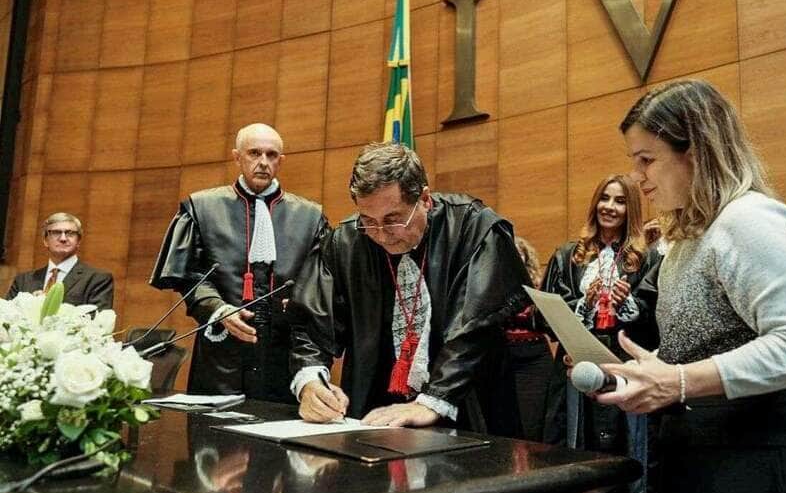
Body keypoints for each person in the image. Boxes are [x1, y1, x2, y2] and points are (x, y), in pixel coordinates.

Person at [597, 79, 786, 493]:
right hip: (699, 450)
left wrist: (678, 380)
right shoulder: (687, 241)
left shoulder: (749, 220)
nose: (637, 177)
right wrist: (652, 369)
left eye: (647, 160)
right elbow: (708, 344)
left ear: (695, 151)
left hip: (756, 456)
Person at [288, 142, 531, 431]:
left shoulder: (473, 228)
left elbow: (476, 327)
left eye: (393, 220)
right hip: (377, 416)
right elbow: (311, 324)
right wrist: (310, 382)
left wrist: (433, 401)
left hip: (467, 410)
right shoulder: (346, 241)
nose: (381, 235)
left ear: (425, 199)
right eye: (368, 220)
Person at [150, 123, 329, 403]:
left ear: (280, 161)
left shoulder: (310, 216)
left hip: (283, 356)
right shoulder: (202, 207)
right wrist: (217, 308)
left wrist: (296, 302)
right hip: (220, 354)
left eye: (271, 156)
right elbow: (190, 275)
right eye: (254, 153)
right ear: (237, 157)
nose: (263, 162)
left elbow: (317, 285)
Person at [539, 175, 660, 493]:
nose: (609, 207)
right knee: (575, 444)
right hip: (574, 366)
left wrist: (629, 304)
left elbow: (657, 316)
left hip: (625, 367)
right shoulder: (568, 255)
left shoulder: (648, 258)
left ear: (631, 208)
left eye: (620, 201)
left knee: (628, 450)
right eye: (604, 198)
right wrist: (585, 303)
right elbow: (546, 314)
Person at [6, 212, 113, 310]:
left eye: (70, 233)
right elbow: (6, 317)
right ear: (45, 241)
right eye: (56, 233)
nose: (63, 238)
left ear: (78, 241)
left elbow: (97, 322)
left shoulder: (97, 279)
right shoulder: (23, 280)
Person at [501, 237, 553, 441]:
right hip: (502, 358)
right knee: (504, 423)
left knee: (533, 423)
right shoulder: (489, 286)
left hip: (535, 359)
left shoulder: (538, 286)